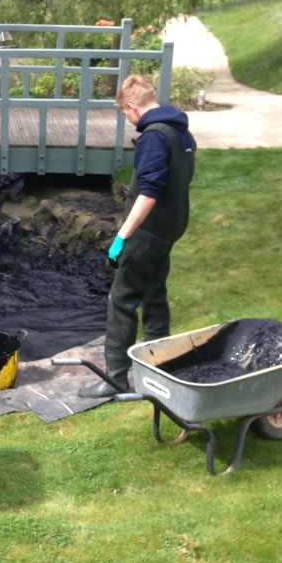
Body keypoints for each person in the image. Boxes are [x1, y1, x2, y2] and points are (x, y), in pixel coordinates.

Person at [79, 75, 196, 399]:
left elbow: (149, 192)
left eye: (125, 114)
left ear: (132, 107)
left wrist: (122, 236)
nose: (128, 120)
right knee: (155, 293)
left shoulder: (154, 138)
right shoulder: (181, 130)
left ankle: (115, 378)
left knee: (122, 300)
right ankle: (163, 367)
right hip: (172, 225)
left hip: (149, 231)